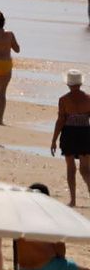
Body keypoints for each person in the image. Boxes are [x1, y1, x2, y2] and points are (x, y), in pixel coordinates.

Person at [15, 184, 90, 270]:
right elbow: (61, 252)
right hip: (45, 264)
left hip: (22, 266)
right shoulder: (49, 219)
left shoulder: (19, 218)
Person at [50, 69, 90, 207]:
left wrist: (54, 139)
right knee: (85, 169)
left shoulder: (64, 100)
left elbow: (60, 120)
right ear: (80, 83)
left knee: (70, 168)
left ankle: (73, 200)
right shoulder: (88, 99)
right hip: (85, 133)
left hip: (69, 134)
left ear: (68, 84)